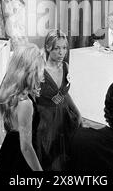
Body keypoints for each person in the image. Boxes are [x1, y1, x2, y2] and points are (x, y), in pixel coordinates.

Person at [35, 30, 82, 170]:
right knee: (47, 158)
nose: (62, 52)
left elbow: (64, 94)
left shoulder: (66, 67)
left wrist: (77, 112)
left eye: (64, 48)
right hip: (44, 120)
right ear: (48, 47)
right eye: (57, 48)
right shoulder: (39, 70)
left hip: (64, 117)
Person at [0, 44, 45, 171]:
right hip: (20, 158)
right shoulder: (25, 103)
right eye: (40, 68)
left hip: (8, 149)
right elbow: (26, 147)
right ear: (31, 70)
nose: (42, 73)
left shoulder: (8, 91)